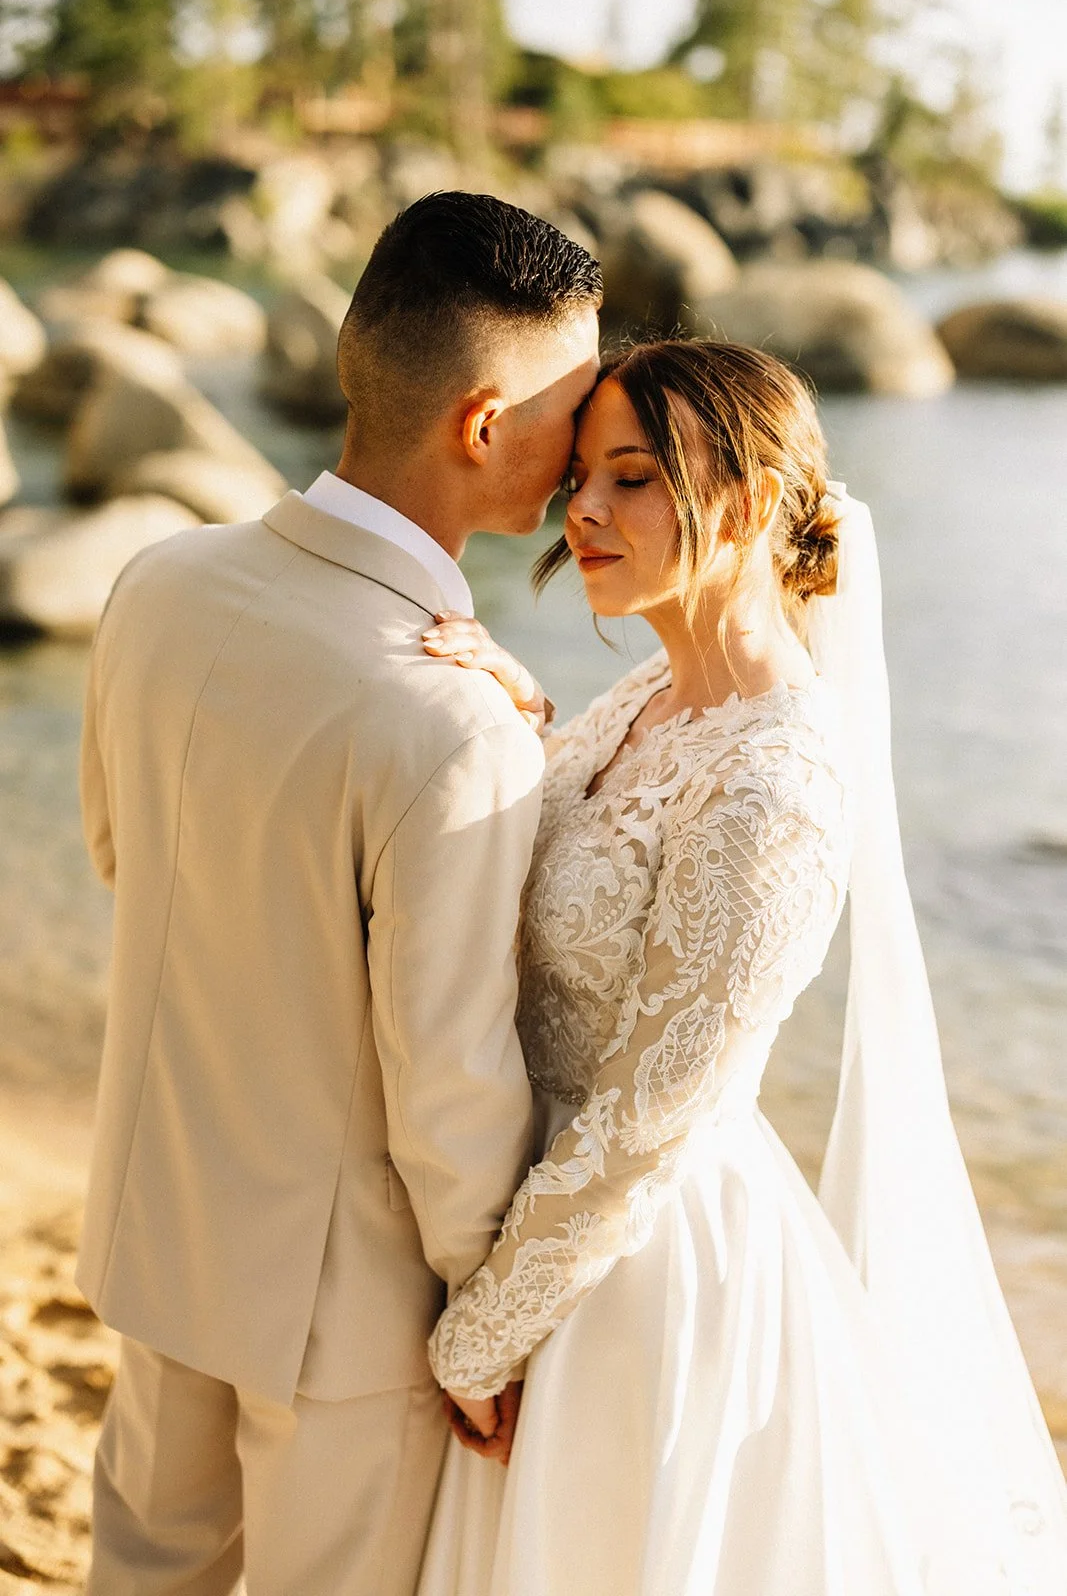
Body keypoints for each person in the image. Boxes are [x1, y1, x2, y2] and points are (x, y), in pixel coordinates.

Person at [418, 339, 1067, 1595]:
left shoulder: (776, 781)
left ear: (752, 498)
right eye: (581, 477)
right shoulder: (644, 702)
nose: (584, 511)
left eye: (634, 476)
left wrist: (483, 1330)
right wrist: (493, 716)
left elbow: (654, 1114)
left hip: (641, 1281)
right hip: (539, 1229)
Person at [76, 191, 601, 1596]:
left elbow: (121, 854)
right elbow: (448, 1085)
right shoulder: (449, 718)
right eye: (577, 409)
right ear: (484, 426)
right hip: (340, 1307)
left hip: (154, 1211)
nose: (588, 453)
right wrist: (490, 1313)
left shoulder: (155, 578)